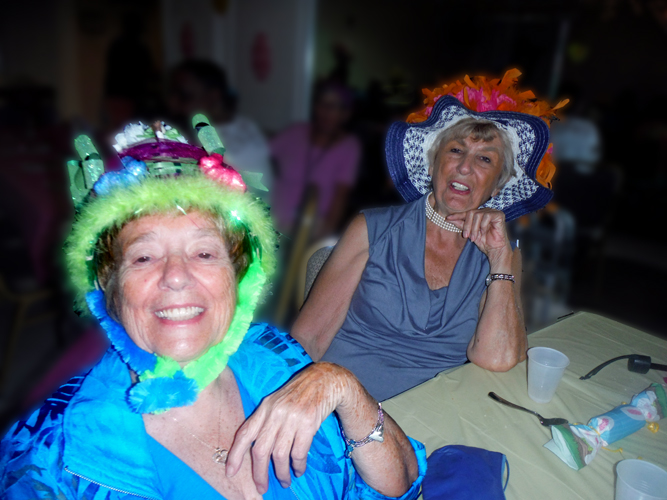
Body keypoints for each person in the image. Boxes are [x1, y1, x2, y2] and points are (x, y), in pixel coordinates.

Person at [0, 118, 425, 499]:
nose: (177, 276)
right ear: (107, 287)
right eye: (144, 257)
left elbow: (401, 482)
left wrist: (343, 387)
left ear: (239, 278)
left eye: (204, 254)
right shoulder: (48, 456)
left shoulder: (282, 357)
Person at [291, 69, 568, 401]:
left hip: (439, 418)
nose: (465, 167)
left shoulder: (503, 254)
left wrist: (499, 260)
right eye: (455, 151)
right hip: (346, 405)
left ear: (498, 183)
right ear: (434, 162)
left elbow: (499, 359)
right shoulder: (371, 229)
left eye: (484, 159)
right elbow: (307, 339)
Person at [168, 59, 273, 200]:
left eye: (184, 96)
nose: (173, 104)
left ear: (213, 96)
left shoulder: (234, 148)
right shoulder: (239, 124)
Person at [271, 81, 361, 238]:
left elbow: (340, 198)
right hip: (270, 224)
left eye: (334, 106)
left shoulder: (349, 147)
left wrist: (318, 243)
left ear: (345, 114)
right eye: (322, 104)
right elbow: (259, 156)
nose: (326, 111)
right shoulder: (295, 132)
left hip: (309, 234)